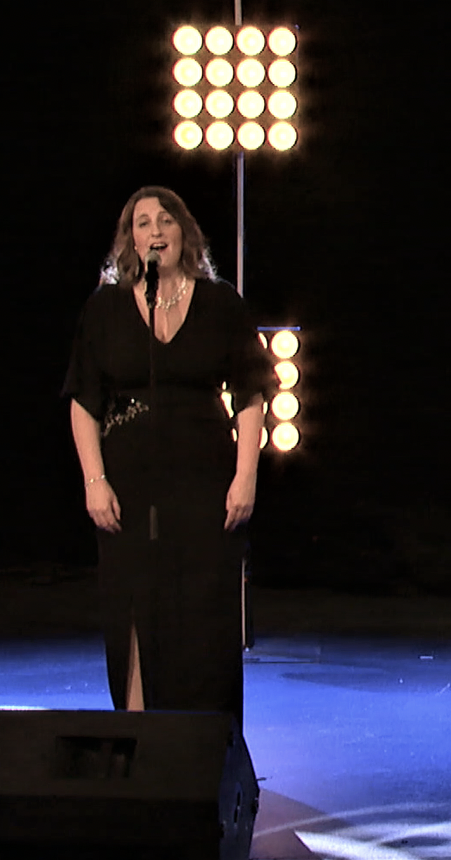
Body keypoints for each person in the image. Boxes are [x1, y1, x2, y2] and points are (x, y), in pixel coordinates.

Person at [63, 185, 275, 723]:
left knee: (204, 618)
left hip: (205, 486)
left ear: (185, 232)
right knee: (135, 611)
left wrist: (245, 476)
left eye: (165, 221)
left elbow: (250, 393)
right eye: (142, 223)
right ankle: (141, 746)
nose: (154, 232)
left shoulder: (220, 302)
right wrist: (94, 481)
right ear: (129, 240)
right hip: (129, 490)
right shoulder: (105, 308)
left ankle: (209, 751)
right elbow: (83, 401)